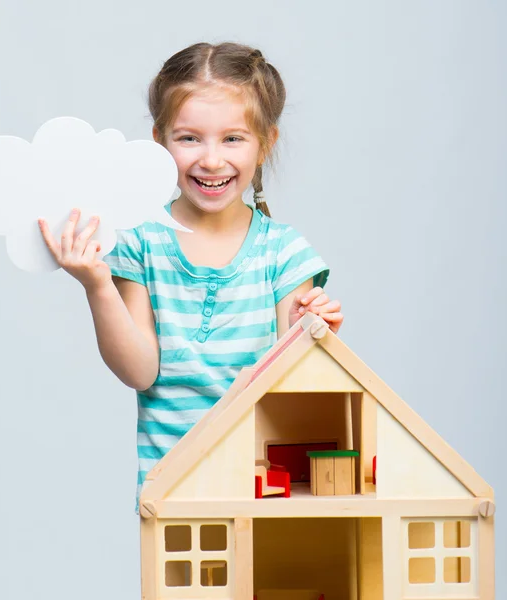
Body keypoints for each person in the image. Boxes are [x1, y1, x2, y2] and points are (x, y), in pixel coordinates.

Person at [38, 41, 344, 507]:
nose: (211, 159)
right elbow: (140, 372)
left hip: (269, 494)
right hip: (176, 496)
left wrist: (314, 334)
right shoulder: (141, 242)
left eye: (233, 138)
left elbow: (292, 387)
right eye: (189, 138)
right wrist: (97, 285)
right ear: (159, 143)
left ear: (266, 143)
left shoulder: (283, 253)